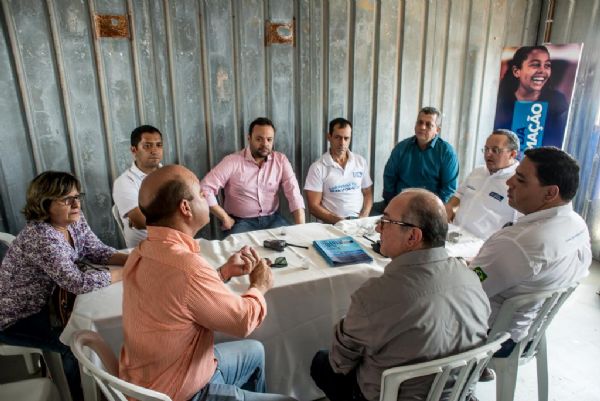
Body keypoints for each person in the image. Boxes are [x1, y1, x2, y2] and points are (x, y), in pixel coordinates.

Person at [119, 164, 296, 401]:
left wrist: (222, 272)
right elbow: (242, 321)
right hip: (181, 392)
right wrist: (259, 285)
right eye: (202, 194)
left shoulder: (143, 251)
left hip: (150, 379)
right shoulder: (187, 267)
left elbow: (180, 296)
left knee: (255, 351)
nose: (206, 197)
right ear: (185, 208)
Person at [310, 188, 490, 401]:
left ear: (413, 236)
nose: (378, 228)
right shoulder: (471, 279)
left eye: (386, 222)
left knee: (321, 362)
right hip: (459, 394)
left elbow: (339, 363)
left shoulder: (374, 297)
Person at [0, 171, 127, 399]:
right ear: (44, 204)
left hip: (50, 302)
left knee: (87, 325)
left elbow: (95, 250)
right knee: (73, 344)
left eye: (78, 196)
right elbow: (77, 282)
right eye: (67, 199)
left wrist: (134, 259)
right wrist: (125, 272)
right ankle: (77, 394)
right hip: (15, 317)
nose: (76, 203)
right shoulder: (42, 237)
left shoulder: (73, 219)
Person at [471, 147, 591, 358]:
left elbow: (467, 293)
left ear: (550, 193)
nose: (509, 183)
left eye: (521, 179)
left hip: (493, 338)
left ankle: (455, 385)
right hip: (530, 330)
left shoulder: (518, 242)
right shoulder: (577, 224)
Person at [201, 117, 305, 234]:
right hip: (241, 222)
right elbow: (205, 188)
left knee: (290, 245)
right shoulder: (232, 161)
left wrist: (301, 230)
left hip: (272, 220)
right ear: (249, 138)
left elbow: (294, 193)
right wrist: (224, 217)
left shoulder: (280, 161)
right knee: (243, 251)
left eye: (269, 139)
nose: (265, 144)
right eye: (259, 139)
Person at [445, 129, 520, 239]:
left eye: (495, 150)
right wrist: (449, 207)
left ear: (512, 154)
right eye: (486, 149)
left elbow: (519, 226)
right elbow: (459, 195)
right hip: (453, 232)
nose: (488, 154)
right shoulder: (478, 171)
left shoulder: (518, 182)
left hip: (481, 245)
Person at [494, 46, 569, 149]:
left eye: (547, 65)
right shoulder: (501, 102)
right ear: (516, 71)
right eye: (535, 65)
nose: (542, 71)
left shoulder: (557, 102)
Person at [382, 107, 459, 205]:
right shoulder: (401, 148)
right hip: (401, 204)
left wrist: (434, 210)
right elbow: (389, 177)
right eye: (420, 122)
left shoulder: (447, 153)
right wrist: (392, 203)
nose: (422, 127)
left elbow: (449, 189)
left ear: (437, 130)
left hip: (430, 208)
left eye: (428, 125)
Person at [304, 118, 373, 223]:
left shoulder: (360, 162)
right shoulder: (318, 167)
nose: (342, 143)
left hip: (358, 222)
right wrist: (340, 222)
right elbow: (313, 207)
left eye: (346, 138)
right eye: (337, 137)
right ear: (329, 137)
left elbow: (367, 193)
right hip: (331, 224)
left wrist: (364, 216)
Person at [112, 125, 164, 247]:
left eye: (159, 145)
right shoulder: (124, 182)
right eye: (147, 146)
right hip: (146, 248)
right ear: (134, 150)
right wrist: (177, 219)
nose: (154, 150)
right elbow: (140, 221)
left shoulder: (172, 174)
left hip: (177, 243)